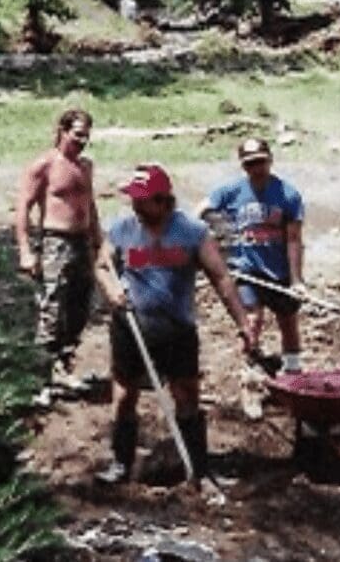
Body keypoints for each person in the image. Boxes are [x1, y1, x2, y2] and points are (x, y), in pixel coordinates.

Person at [94, 163, 253, 484]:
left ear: (164, 200)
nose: (136, 206)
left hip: (177, 329)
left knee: (186, 397)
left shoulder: (192, 232)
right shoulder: (123, 228)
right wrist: (111, 290)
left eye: (143, 200)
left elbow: (221, 278)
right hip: (132, 325)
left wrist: (243, 323)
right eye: (133, 199)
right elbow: (102, 264)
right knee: (124, 396)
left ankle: (198, 469)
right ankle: (121, 463)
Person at [198, 137, 306, 373]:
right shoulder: (231, 191)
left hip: (279, 271)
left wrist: (296, 280)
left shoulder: (288, 195)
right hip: (246, 269)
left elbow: (294, 239)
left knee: (287, 322)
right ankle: (250, 372)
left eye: (260, 162)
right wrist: (212, 239)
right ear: (242, 166)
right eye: (249, 164)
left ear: (270, 160)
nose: (256, 169)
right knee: (251, 319)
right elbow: (201, 210)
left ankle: (293, 370)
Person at [15, 108, 101, 390]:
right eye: (77, 135)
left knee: (81, 304)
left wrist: (98, 241)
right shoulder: (45, 165)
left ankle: (63, 364)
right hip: (55, 241)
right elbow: (23, 207)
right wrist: (25, 250)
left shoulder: (85, 166)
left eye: (86, 136)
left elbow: (91, 205)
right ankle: (41, 376)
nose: (82, 142)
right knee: (52, 304)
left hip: (82, 242)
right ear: (63, 131)